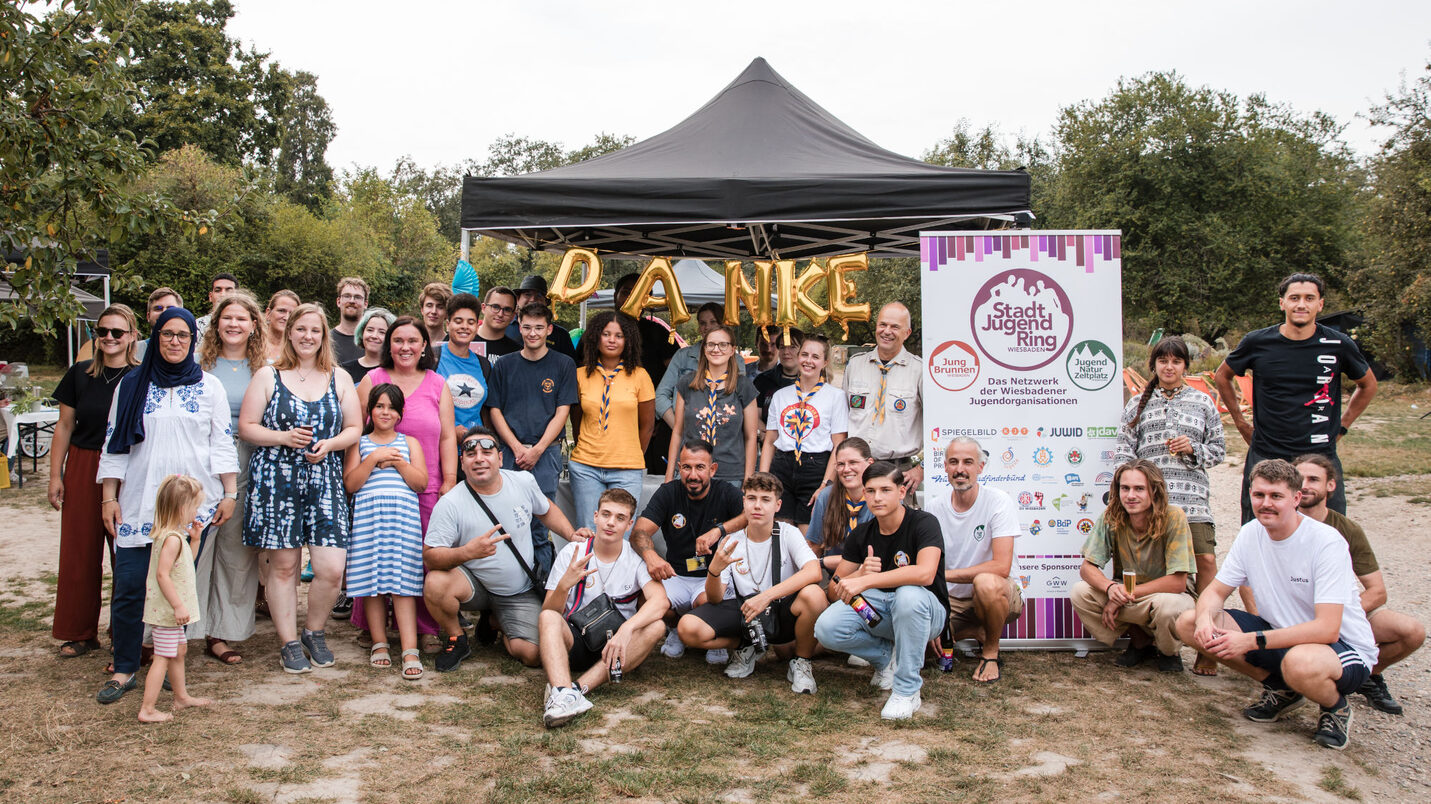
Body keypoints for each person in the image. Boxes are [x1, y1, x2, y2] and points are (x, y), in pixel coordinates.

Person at [1176, 459, 1379, 751]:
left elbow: (1327, 629)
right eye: (1259, 495)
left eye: (1276, 496)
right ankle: (1282, 690)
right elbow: (1216, 591)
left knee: (1300, 663)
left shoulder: (1326, 542)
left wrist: (1250, 640)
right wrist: (1206, 618)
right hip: (1281, 635)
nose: (1265, 504)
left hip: (1342, 649)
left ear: (1296, 499)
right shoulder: (1251, 533)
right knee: (1188, 622)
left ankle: (1335, 707)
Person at [97, 308, 238, 705]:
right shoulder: (131, 384)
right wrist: (109, 496)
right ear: (155, 337)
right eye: (167, 334)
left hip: (190, 508)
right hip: (140, 503)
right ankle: (125, 667)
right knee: (129, 587)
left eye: (183, 335)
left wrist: (229, 493)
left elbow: (221, 443)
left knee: (175, 588)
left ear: (193, 340)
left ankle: (169, 665)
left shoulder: (209, 387)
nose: (175, 341)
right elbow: (114, 444)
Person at [239, 303, 362, 673]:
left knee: (331, 567)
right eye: (301, 329)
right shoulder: (267, 375)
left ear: (324, 336)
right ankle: (288, 641)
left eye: (316, 331)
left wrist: (329, 445)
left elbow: (354, 428)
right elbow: (246, 427)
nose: (308, 337)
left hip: (324, 478)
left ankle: (314, 630)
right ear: (289, 332)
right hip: (277, 479)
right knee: (284, 566)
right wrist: (282, 437)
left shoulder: (338, 377)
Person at [1215, 272, 1377, 523]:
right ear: (1282, 303)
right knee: (1261, 531)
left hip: (1319, 454)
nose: (1301, 304)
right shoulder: (1258, 342)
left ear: (1320, 304)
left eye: (1309, 298)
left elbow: (1367, 385)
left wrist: (1343, 425)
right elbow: (1222, 376)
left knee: (1328, 535)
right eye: (1294, 298)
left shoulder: (1337, 344)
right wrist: (1241, 422)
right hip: (1267, 452)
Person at [422, 429, 589, 672]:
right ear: (462, 462)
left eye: (487, 452)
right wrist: (467, 552)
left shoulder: (522, 482)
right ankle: (457, 638)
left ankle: (494, 621)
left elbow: (545, 509)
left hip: (517, 592)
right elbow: (430, 556)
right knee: (435, 583)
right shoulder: (450, 503)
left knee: (534, 655)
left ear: (500, 458)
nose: (479, 459)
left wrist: (571, 534)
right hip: (474, 585)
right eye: (471, 454)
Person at [1116, 335, 1225, 675]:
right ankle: (1142, 641)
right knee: (1138, 568)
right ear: (1154, 365)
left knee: (1205, 563)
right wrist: (1127, 493)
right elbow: (1123, 452)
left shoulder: (1203, 401)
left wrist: (1194, 449)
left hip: (1191, 501)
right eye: (1162, 360)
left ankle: (1207, 646)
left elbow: (1219, 451)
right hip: (1147, 506)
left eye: (1176, 361)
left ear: (1185, 366)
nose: (1169, 366)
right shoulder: (1136, 404)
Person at [1288, 454, 1424, 715]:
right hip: (1294, 610)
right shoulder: (1276, 522)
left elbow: (1378, 591)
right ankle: (1294, 682)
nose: (1305, 485)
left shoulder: (1347, 528)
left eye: (1314, 479)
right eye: (1299, 479)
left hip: (1340, 607)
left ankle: (1366, 675)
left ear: (1331, 486)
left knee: (1412, 631)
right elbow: (1247, 584)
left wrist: (1337, 614)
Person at [352, 316, 457, 650]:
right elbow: (355, 430)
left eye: (413, 341)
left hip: (424, 483)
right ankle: (372, 626)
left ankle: (425, 628)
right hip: (374, 487)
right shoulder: (373, 379)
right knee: (375, 551)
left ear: (425, 345)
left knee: (420, 557)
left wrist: (450, 479)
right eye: (398, 340)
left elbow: (447, 438)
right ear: (389, 344)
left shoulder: (437, 384)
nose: (405, 347)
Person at [813, 461, 948, 719]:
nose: (877, 497)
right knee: (826, 628)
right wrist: (859, 573)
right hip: (882, 613)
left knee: (908, 595)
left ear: (901, 492)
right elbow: (834, 590)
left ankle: (907, 690)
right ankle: (884, 657)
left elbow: (925, 573)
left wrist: (867, 582)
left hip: (927, 613)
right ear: (864, 494)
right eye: (871, 491)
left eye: (885, 490)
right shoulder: (862, 534)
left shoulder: (924, 522)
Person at [677, 472, 828, 691]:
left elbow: (814, 572)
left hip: (781, 608)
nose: (757, 506)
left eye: (765, 500)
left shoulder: (788, 533)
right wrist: (714, 571)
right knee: (688, 628)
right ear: (744, 502)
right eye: (752, 498)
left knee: (814, 595)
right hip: (746, 612)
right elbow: (715, 598)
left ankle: (802, 662)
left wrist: (766, 596)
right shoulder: (731, 540)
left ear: (777, 505)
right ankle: (749, 646)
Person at [49, 303, 139, 658]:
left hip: (129, 467)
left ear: (132, 335)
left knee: (127, 553)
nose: (109, 338)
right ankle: (79, 631)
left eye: (118, 332)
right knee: (80, 550)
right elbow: (64, 426)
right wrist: (56, 474)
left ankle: (124, 630)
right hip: (85, 463)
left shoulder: (139, 377)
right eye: (103, 332)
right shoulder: (79, 373)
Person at [539, 489, 669, 728]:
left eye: (620, 518)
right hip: (576, 639)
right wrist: (564, 586)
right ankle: (562, 689)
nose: (611, 523)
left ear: (629, 524)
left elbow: (661, 601)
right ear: (596, 516)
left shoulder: (635, 558)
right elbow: (550, 611)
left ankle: (574, 692)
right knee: (547, 616)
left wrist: (627, 630)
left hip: (616, 647)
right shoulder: (572, 552)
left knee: (656, 626)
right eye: (606, 515)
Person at [193, 291, 268, 666]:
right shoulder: (198, 365)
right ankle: (183, 626)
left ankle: (221, 632)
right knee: (195, 544)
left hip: (248, 460)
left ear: (254, 325)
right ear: (216, 324)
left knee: (236, 551)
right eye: (227, 318)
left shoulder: (266, 368)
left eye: (242, 319)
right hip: (202, 461)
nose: (234, 325)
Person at [1070, 460, 1195, 672]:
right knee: (1081, 592)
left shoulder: (1174, 517)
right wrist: (1111, 589)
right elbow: (1087, 568)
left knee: (1168, 607)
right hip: (1128, 592)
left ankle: (1168, 652)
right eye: (1125, 488)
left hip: (1165, 594)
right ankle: (1140, 642)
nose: (1130, 495)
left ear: (1154, 491)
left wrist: (1124, 594)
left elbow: (1177, 583)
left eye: (1139, 489)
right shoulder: (1112, 515)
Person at [630, 440, 746, 662]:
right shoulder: (668, 493)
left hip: (712, 577)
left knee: (711, 601)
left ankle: (714, 629)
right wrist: (651, 556)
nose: (693, 475)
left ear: (712, 469)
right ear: (679, 468)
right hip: (676, 574)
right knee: (646, 600)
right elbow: (639, 532)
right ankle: (675, 629)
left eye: (700, 467)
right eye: (686, 467)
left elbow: (749, 516)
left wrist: (718, 530)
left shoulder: (726, 492)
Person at [343, 384, 429, 680]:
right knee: (372, 582)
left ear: (400, 414)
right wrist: (371, 459)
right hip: (369, 520)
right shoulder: (360, 443)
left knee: (403, 584)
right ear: (369, 410)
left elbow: (421, 482)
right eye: (379, 406)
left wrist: (398, 462)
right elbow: (351, 485)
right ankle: (379, 643)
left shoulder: (410, 443)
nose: (385, 412)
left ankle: (409, 648)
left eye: (391, 407)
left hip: (402, 521)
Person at [488, 302, 577, 572]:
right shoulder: (505, 365)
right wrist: (516, 447)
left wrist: (537, 449)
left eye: (539, 327)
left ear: (549, 329)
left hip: (546, 453)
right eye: (527, 327)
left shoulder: (563, 364)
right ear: (520, 327)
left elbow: (563, 411)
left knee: (540, 523)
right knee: (506, 519)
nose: (533, 333)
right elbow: (495, 409)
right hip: (509, 452)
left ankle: (542, 587)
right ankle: (506, 587)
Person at [925, 437, 1022, 683]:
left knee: (986, 582)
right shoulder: (934, 508)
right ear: (945, 467)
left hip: (995, 592)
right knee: (922, 647)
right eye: (954, 462)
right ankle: (972, 629)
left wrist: (943, 575)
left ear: (980, 467)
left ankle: (990, 652)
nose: (960, 469)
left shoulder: (998, 501)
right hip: (952, 598)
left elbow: (1002, 567)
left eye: (968, 462)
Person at [136, 475, 215, 723]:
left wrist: (195, 540)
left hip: (171, 611)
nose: (196, 512)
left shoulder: (175, 536)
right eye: (194, 507)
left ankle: (181, 697)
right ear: (181, 508)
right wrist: (178, 605)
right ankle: (147, 709)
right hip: (168, 611)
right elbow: (163, 575)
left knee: (178, 650)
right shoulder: (170, 539)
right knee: (163, 656)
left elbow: (184, 566)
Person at [569, 310, 655, 529]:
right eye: (606, 334)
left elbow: (647, 425)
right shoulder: (580, 375)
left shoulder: (640, 376)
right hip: (586, 467)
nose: (611, 340)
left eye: (618, 336)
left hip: (627, 469)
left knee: (619, 536)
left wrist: (633, 454)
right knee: (589, 532)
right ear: (596, 337)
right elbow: (576, 420)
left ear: (627, 341)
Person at [760, 334, 847, 532]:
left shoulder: (835, 397)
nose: (809, 361)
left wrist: (826, 484)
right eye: (805, 354)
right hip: (782, 465)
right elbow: (770, 440)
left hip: (815, 468)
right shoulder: (781, 396)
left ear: (824, 362)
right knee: (780, 532)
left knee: (808, 538)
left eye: (815, 357)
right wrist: (764, 477)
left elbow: (839, 445)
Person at [842, 302, 924, 498]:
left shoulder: (919, 370)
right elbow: (842, 417)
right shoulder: (855, 365)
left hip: (897, 471)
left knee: (894, 528)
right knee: (855, 527)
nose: (887, 331)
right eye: (883, 325)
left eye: (895, 327)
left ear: (907, 332)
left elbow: (937, 428)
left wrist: (922, 469)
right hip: (856, 470)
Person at [665, 324, 758, 487]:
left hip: (730, 475)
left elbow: (750, 437)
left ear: (732, 350)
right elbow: (678, 432)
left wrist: (748, 480)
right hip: (691, 473)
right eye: (711, 344)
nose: (716, 349)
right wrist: (669, 476)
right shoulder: (687, 383)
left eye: (723, 344)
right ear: (704, 349)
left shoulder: (743, 386)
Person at [611, 272, 680, 475]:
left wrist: (660, 416)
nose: (631, 298)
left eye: (638, 293)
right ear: (615, 295)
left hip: (652, 428)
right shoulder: (598, 330)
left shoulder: (659, 333)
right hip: (607, 427)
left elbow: (677, 377)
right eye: (626, 292)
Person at [806, 438, 876, 575]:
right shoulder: (826, 497)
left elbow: (879, 557)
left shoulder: (882, 498)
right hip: (836, 579)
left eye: (853, 462)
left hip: (874, 578)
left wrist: (824, 562)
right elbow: (814, 547)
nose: (846, 469)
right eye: (840, 464)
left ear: (869, 463)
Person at [655, 302, 725, 430]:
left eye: (713, 322)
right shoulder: (683, 356)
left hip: (722, 435)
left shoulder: (735, 360)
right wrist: (678, 429)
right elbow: (660, 396)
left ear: (722, 325)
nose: (707, 327)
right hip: (685, 437)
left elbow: (741, 402)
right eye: (703, 323)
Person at [436, 292, 495, 442]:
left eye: (470, 322)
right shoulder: (432, 359)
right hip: (440, 447)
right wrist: (449, 431)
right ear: (448, 325)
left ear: (476, 326)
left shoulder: (484, 365)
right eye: (458, 321)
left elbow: (486, 411)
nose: (464, 327)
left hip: (474, 449)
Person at [504, 274, 576, 361]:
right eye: (527, 295)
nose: (532, 299)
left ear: (545, 302)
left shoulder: (560, 335)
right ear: (518, 299)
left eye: (538, 296)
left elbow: (571, 367)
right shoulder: (503, 329)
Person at [752, 327, 802, 427]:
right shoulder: (762, 380)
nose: (786, 352)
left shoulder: (811, 382)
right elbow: (754, 416)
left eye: (792, 347)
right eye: (782, 347)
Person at [340, 307, 394, 385]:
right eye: (370, 330)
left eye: (382, 332)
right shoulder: (343, 370)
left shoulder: (395, 370)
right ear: (362, 332)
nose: (374, 336)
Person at [470, 286, 521, 361]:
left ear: (513, 315)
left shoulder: (516, 353)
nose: (500, 314)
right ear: (483, 308)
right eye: (495, 307)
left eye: (507, 310)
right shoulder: (462, 340)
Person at [133, 287, 184, 361]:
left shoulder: (191, 352)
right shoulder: (133, 352)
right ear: (148, 316)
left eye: (171, 308)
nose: (164, 313)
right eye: (158, 308)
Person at [329, 276, 369, 365]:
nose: (352, 301)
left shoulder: (373, 340)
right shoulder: (326, 340)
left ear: (365, 303)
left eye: (357, 297)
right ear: (338, 301)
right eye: (347, 296)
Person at [193, 273, 237, 337]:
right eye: (218, 290)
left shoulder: (245, 324)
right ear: (210, 296)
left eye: (229, 290)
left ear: (238, 295)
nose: (223, 295)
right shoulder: (197, 326)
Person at [263, 290, 300, 364]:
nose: (286, 317)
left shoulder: (298, 350)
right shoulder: (252, 344)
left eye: (292, 313)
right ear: (268, 313)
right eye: (281, 311)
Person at [417, 282, 452, 349]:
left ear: (447, 313)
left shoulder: (454, 346)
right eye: (429, 306)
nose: (433, 311)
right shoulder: (412, 343)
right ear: (422, 310)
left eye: (440, 307)